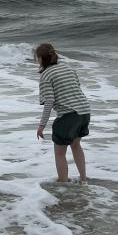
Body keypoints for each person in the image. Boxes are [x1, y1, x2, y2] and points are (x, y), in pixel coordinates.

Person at [33, 43, 90, 182]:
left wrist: (41, 125)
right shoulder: (68, 68)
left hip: (68, 115)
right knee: (76, 145)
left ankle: (63, 184)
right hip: (84, 111)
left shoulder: (46, 75)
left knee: (59, 153)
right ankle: (83, 179)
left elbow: (49, 102)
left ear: (41, 59)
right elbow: (77, 88)